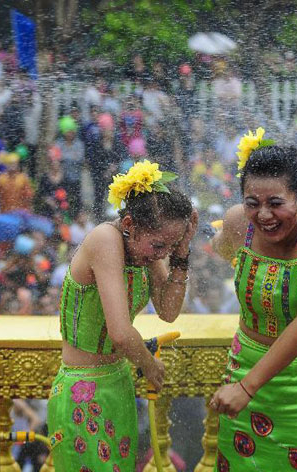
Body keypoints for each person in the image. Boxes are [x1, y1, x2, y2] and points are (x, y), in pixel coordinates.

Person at [208, 129, 297, 471]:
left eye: (276, 203)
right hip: (244, 362)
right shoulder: (239, 223)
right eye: (252, 203)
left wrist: (246, 387)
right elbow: (222, 248)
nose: (264, 215)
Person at [47, 160, 197, 472]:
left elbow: (168, 311)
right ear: (129, 223)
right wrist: (149, 364)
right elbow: (119, 331)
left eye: (167, 247)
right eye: (159, 245)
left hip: (119, 384)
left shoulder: (144, 251)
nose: (161, 254)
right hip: (82, 389)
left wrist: (181, 253)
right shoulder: (106, 239)